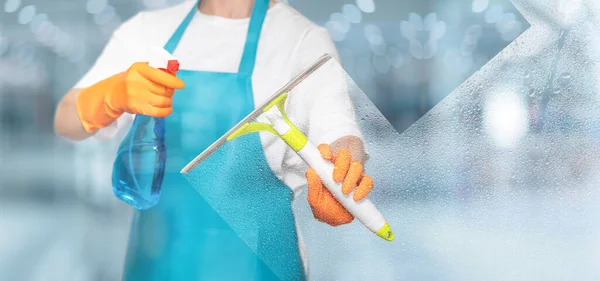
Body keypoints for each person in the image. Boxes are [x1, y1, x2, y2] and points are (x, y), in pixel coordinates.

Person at [54, 0, 375, 280]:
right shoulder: (146, 33)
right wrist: (111, 95)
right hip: (158, 263)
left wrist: (343, 172)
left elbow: (339, 132)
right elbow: (65, 120)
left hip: (260, 265)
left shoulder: (301, 39)